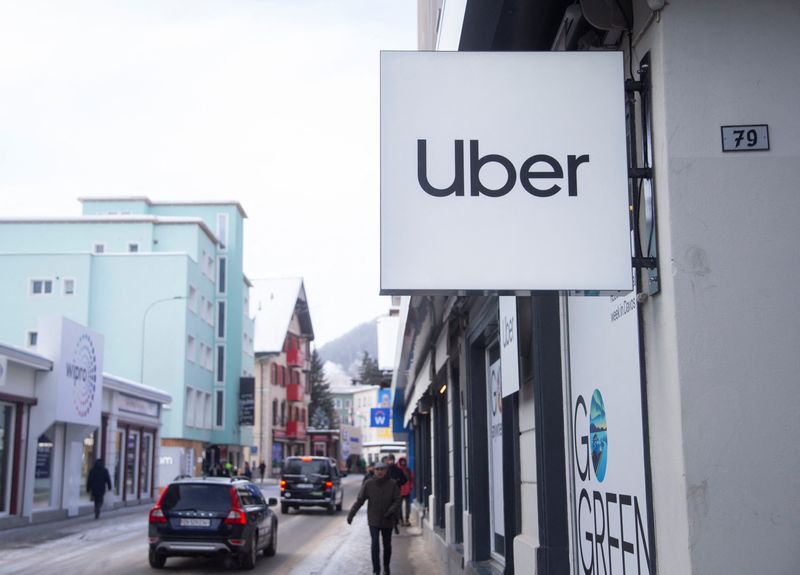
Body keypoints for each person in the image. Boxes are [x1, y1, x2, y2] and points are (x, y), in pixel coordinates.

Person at [347, 462, 401, 575]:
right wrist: (351, 514)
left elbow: (397, 500)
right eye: (377, 469)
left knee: (387, 545)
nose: (380, 471)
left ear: (386, 471)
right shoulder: (369, 484)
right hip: (374, 519)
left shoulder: (392, 484)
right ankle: (376, 570)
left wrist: (390, 511)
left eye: (382, 469)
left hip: (387, 519)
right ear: (374, 471)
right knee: (375, 544)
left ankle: (386, 567)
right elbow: (360, 500)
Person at [383, 454, 406, 533]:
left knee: (396, 509)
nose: (390, 461)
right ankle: (391, 525)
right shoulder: (384, 470)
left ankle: (395, 524)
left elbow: (404, 479)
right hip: (387, 493)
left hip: (396, 492)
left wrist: (398, 482)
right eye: (389, 460)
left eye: (391, 460)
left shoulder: (398, 470)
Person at [396, 457, 414, 526]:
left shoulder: (408, 470)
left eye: (404, 462)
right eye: (402, 462)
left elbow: (412, 479)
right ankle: (401, 520)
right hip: (399, 491)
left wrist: (411, 487)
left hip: (407, 490)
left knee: (407, 506)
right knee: (399, 506)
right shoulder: (398, 470)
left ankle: (406, 519)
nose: (403, 463)